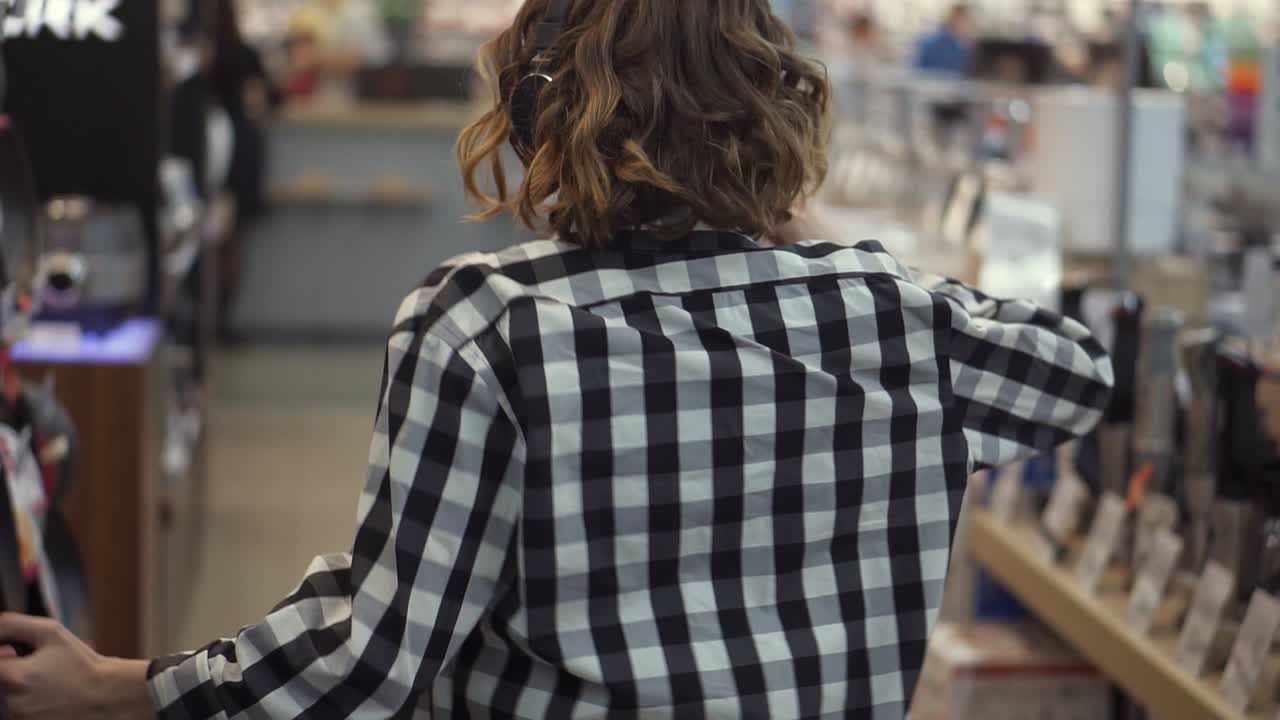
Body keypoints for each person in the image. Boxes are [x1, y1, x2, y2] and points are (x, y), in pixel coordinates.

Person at [0, 1, 1113, 718]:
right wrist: (811, 239)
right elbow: (1074, 375)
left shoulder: (485, 324)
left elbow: (379, 658)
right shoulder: (886, 313)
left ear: (540, 118)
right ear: (775, 110)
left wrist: (125, 688)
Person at [210, 0, 280, 342]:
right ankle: (223, 319)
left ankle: (204, 319)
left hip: (206, 149)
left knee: (210, 237)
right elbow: (271, 97)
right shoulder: (242, 53)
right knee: (234, 237)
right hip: (241, 149)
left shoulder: (201, 55)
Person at [914, 4, 977, 75]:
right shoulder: (932, 44)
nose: (968, 26)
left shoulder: (970, 47)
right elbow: (919, 73)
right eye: (964, 21)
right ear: (953, 20)